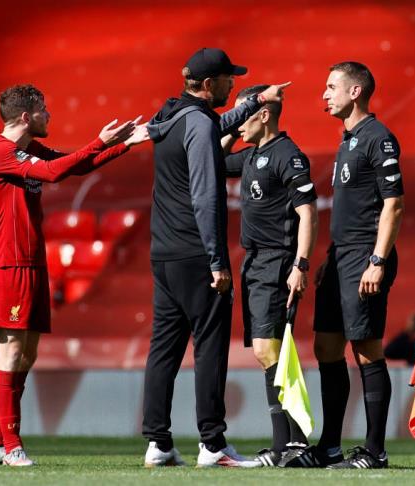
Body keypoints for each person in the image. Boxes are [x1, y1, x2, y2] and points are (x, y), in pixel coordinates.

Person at [0, 84, 148, 467]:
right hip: (9, 262)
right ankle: (11, 445)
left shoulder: (26, 150)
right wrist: (98, 141)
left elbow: (73, 165)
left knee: (27, 353)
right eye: (44, 110)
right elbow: (53, 174)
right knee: (11, 351)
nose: (49, 115)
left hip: (32, 260)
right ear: (26, 116)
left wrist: (123, 145)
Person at [142, 48, 291, 468]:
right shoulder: (198, 124)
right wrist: (216, 260)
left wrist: (255, 101)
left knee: (163, 349)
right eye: (228, 78)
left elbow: (210, 125)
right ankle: (212, 444)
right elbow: (205, 197)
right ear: (209, 85)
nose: (232, 83)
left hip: (164, 253)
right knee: (209, 348)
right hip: (196, 254)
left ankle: (157, 442)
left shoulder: (171, 114)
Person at [288, 62, 405, 469]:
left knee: (367, 349)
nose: (324, 94)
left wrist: (377, 260)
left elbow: (393, 204)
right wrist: (330, 258)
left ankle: (375, 451)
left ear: (355, 92)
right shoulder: (348, 140)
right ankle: (330, 447)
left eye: (331, 86)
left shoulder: (378, 138)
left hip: (365, 256)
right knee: (326, 347)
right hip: (341, 258)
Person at [221, 85, 318, 467]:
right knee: (268, 353)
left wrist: (300, 265)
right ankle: (286, 445)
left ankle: (294, 444)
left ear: (263, 115)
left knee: (270, 350)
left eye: (242, 114)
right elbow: (213, 158)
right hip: (254, 262)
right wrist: (235, 125)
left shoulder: (287, 155)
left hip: (277, 261)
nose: (236, 123)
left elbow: (308, 213)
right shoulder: (251, 155)